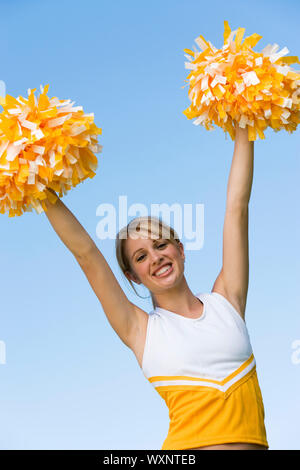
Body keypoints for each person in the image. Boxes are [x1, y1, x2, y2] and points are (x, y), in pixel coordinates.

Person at [44, 124, 269, 450]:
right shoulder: (140, 330)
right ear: (133, 276)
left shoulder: (228, 300)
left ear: (179, 248)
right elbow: (87, 256)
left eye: (161, 245)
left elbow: (237, 208)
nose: (156, 258)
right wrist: (38, 189)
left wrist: (246, 122)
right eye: (141, 256)